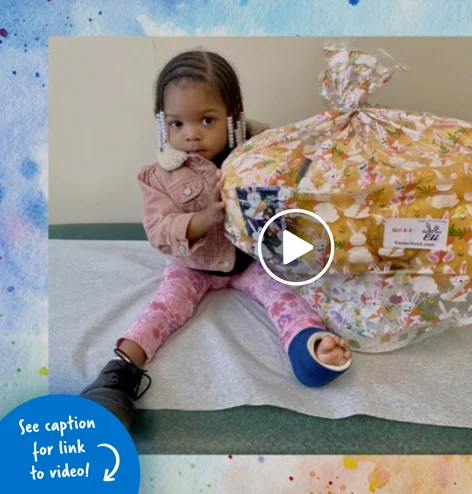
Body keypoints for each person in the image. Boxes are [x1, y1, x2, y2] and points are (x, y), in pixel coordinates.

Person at [79, 50, 352, 431]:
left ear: (234, 115)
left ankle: (310, 345)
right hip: (192, 266)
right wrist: (198, 221)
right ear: (162, 123)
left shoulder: (264, 155)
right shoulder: (158, 177)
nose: (191, 133)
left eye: (206, 120)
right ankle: (118, 373)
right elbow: (158, 230)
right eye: (176, 123)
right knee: (163, 309)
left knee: (285, 295)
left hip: (250, 260)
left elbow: (291, 203)